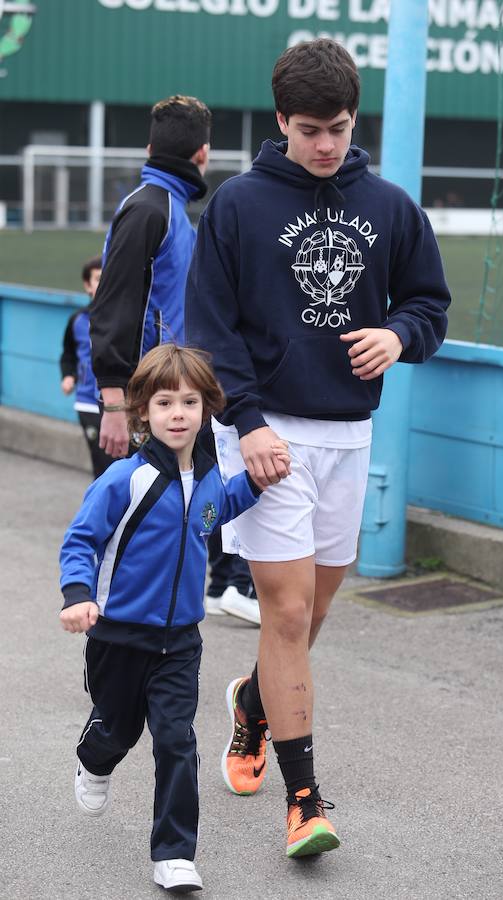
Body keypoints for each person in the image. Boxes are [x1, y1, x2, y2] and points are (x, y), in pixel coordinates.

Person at [185, 38, 451, 859]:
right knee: (288, 613)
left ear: (353, 118)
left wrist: (399, 337)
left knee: (312, 617)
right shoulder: (236, 205)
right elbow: (210, 330)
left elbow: (429, 306)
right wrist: (250, 423)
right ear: (280, 122)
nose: (326, 145)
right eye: (309, 130)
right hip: (263, 434)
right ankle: (304, 801)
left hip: (347, 433)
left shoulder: (392, 207)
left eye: (337, 127)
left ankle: (254, 704)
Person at [59, 343, 290, 893]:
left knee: (175, 740)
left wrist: (255, 483)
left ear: (206, 409)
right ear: (143, 411)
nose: (179, 413)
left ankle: (174, 854)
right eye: (165, 402)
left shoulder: (209, 475)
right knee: (118, 728)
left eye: (190, 401)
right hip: (118, 633)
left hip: (180, 639)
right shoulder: (125, 479)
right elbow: (82, 540)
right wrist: (76, 595)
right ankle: (93, 760)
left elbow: (216, 512)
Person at [89, 94, 259, 624]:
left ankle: (222, 586)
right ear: (203, 155)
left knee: (187, 498)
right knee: (134, 516)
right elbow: (113, 304)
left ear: (149, 148)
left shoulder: (171, 210)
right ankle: (120, 630)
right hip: (149, 399)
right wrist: (117, 405)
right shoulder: (150, 208)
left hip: (175, 389)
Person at [60, 256, 113, 479]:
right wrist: (68, 376)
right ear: (87, 285)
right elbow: (68, 354)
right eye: (98, 278)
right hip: (88, 403)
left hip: (116, 402)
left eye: (107, 278)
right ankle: (102, 509)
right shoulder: (77, 320)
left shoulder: (123, 319)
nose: (103, 283)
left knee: (122, 460)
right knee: (101, 460)